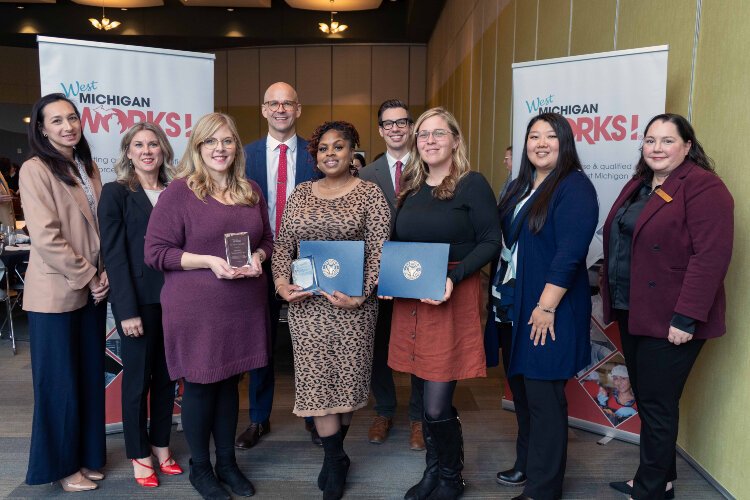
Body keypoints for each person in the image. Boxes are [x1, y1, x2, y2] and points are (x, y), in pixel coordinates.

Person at [602, 113, 733, 500]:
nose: (657, 148)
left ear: (687, 146)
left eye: (667, 141)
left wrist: (687, 316)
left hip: (673, 316)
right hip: (635, 309)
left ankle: (652, 489)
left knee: (658, 404)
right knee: (648, 397)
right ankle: (663, 476)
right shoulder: (639, 185)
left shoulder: (704, 187)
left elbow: (711, 257)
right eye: (650, 140)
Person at [145, 112, 273, 500]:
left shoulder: (250, 190)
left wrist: (260, 259)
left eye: (227, 141)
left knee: (231, 383)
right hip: (197, 308)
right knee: (201, 386)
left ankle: (227, 464)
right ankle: (201, 469)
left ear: (237, 146)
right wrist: (209, 260)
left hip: (243, 304)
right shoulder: (180, 192)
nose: (220, 149)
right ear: (198, 147)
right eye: (210, 142)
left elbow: (267, 237)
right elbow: (155, 252)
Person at [272, 121, 390, 500]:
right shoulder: (301, 193)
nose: (330, 154)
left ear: (353, 150)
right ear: (315, 155)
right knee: (316, 383)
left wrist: (362, 294)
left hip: (353, 307)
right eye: (323, 148)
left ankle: (333, 458)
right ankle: (335, 458)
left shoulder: (370, 194)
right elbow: (283, 246)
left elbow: (379, 250)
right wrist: (279, 283)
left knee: (348, 381)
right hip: (307, 307)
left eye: (338, 147)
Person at [387, 107, 502, 500]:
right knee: (421, 393)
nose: (430, 141)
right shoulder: (412, 186)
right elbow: (401, 244)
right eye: (423, 134)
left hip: (451, 294)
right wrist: (391, 278)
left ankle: (452, 477)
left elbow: (491, 242)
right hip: (413, 298)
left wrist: (452, 277)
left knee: (437, 404)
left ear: (455, 139)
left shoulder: (471, 183)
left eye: (438, 133)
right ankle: (433, 472)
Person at [494, 112, 598, 500]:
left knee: (544, 401)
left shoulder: (574, 187)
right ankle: (527, 464)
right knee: (522, 393)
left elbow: (570, 255)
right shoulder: (521, 184)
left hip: (546, 313)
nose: (540, 143)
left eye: (550, 136)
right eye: (533, 136)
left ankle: (544, 488)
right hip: (514, 307)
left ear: (565, 142)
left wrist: (546, 306)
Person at [20, 93, 109, 492]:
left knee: (89, 378)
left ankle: (88, 457)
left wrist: (103, 274)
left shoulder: (86, 166)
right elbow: (47, 237)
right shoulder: (35, 169)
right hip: (56, 294)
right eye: (55, 121)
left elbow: (99, 226)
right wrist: (89, 276)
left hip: (92, 289)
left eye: (71, 118)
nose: (67, 126)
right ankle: (61, 466)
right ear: (41, 128)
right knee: (60, 385)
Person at [98, 123, 182, 488]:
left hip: (178, 300)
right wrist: (126, 310)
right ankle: (139, 452)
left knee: (167, 379)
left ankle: (162, 444)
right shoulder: (115, 193)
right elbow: (114, 256)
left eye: (153, 144)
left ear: (163, 150)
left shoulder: (177, 192)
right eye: (139, 145)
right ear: (128, 152)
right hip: (139, 303)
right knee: (137, 382)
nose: (147, 150)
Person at [238, 81, 320, 449]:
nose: (281, 109)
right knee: (261, 344)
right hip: (259, 258)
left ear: (298, 110)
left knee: (311, 343)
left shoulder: (317, 154)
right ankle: (259, 418)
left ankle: (318, 415)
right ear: (263, 109)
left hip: (308, 260)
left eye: (288, 103)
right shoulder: (244, 155)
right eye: (274, 103)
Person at [359, 99, 425, 451]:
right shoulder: (366, 175)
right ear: (381, 130)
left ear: (411, 127)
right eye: (389, 123)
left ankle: (418, 418)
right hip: (379, 274)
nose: (396, 128)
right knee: (377, 345)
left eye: (402, 122)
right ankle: (384, 410)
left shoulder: (430, 167)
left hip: (418, 272)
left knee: (418, 345)